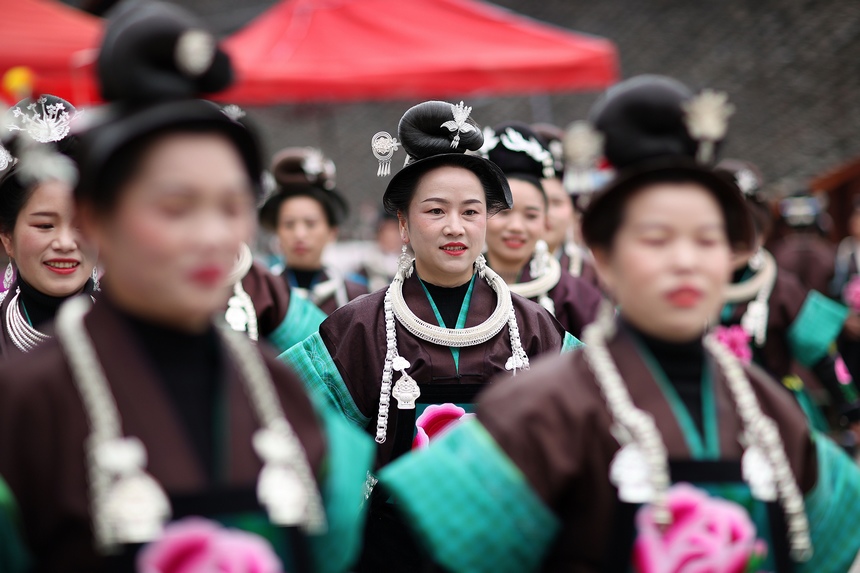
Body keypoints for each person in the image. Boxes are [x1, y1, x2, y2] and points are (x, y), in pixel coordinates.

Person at [379, 75, 860, 573]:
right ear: (603, 256)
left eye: (706, 239)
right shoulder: (536, 412)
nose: (685, 261)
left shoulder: (770, 413)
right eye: (655, 238)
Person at [0, 3, 373, 572]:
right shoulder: (25, 399)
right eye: (175, 207)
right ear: (97, 217)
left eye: (231, 206)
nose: (210, 236)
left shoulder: (277, 385)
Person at [282, 99, 579, 572]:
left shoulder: (535, 329)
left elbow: (593, 424)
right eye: (435, 210)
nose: (455, 227)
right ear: (402, 222)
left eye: (471, 211)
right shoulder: (358, 327)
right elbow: (289, 420)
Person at [716, 159, 860, 434]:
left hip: (776, 414)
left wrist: (852, 408)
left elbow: (821, 353)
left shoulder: (779, 285)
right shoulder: (687, 286)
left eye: (742, 232)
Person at [482, 122, 602, 338]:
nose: (516, 227)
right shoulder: (455, 282)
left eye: (531, 215)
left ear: (544, 220)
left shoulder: (575, 294)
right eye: (504, 213)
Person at [0, 96, 98, 357]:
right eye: (45, 225)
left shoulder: (138, 336)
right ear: (7, 237)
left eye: (81, 225)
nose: (65, 243)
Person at [259, 147, 368, 315]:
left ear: (332, 232)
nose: (299, 234)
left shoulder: (356, 297)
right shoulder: (261, 293)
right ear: (277, 232)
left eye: (310, 224)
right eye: (289, 224)